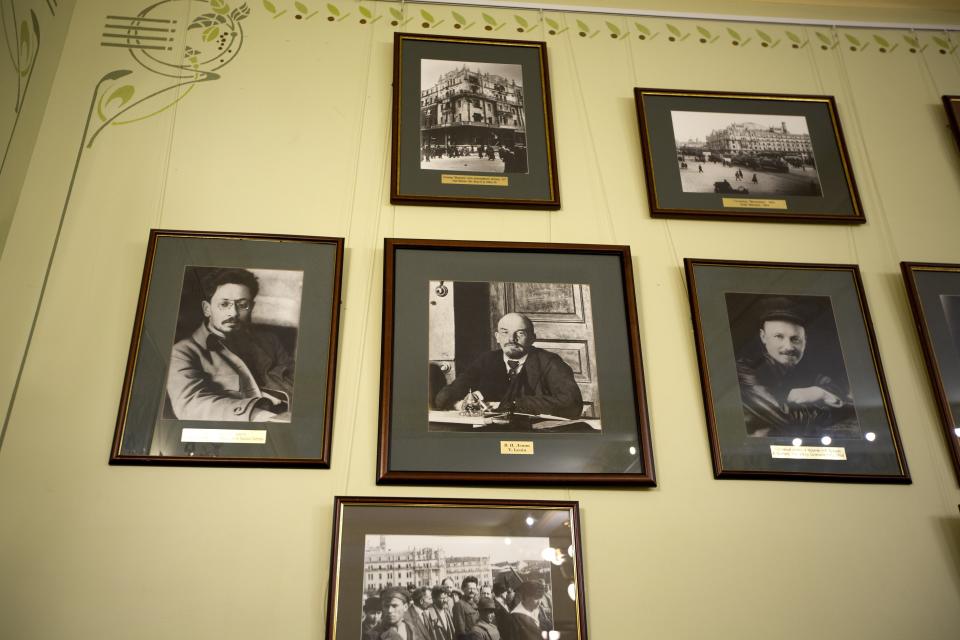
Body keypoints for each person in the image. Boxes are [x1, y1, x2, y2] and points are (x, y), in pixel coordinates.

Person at [166, 268, 295, 422]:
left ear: (251, 308)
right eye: (224, 304)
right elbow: (191, 404)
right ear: (207, 309)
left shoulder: (269, 341)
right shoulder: (182, 353)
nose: (233, 313)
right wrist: (264, 417)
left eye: (242, 305)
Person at [735, 298, 856, 437]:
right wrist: (826, 397)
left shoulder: (798, 369)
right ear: (763, 337)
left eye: (795, 339)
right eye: (779, 336)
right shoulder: (743, 371)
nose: (789, 347)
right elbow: (789, 420)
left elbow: (836, 388)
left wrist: (820, 392)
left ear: (805, 340)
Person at [433, 312, 583, 419]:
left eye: (520, 333)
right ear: (497, 337)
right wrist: (462, 404)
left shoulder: (550, 362)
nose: (511, 339)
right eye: (505, 332)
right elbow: (445, 396)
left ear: (532, 338)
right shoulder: (486, 360)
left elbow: (572, 404)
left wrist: (512, 404)